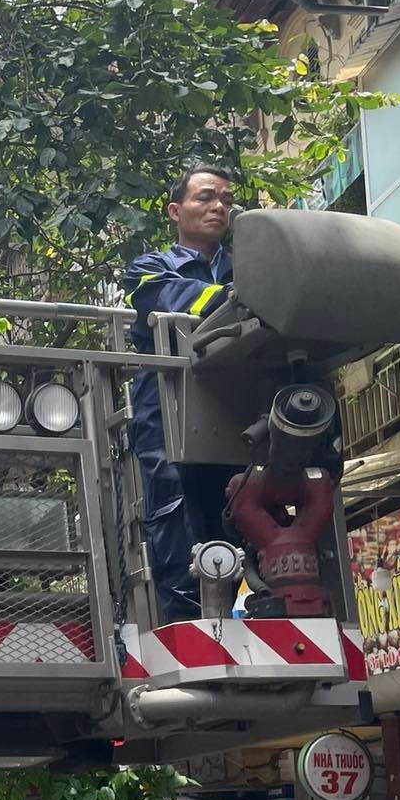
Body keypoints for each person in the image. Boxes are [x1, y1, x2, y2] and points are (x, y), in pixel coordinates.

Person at [120, 167, 236, 622]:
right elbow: (170, 299)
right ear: (175, 211)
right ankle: (186, 621)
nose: (218, 207)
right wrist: (234, 297)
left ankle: (240, 605)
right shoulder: (149, 269)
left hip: (235, 407)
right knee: (173, 510)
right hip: (165, 410)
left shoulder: (249, 265)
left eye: (226, 200)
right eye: (205, 197)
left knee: (237, 508)